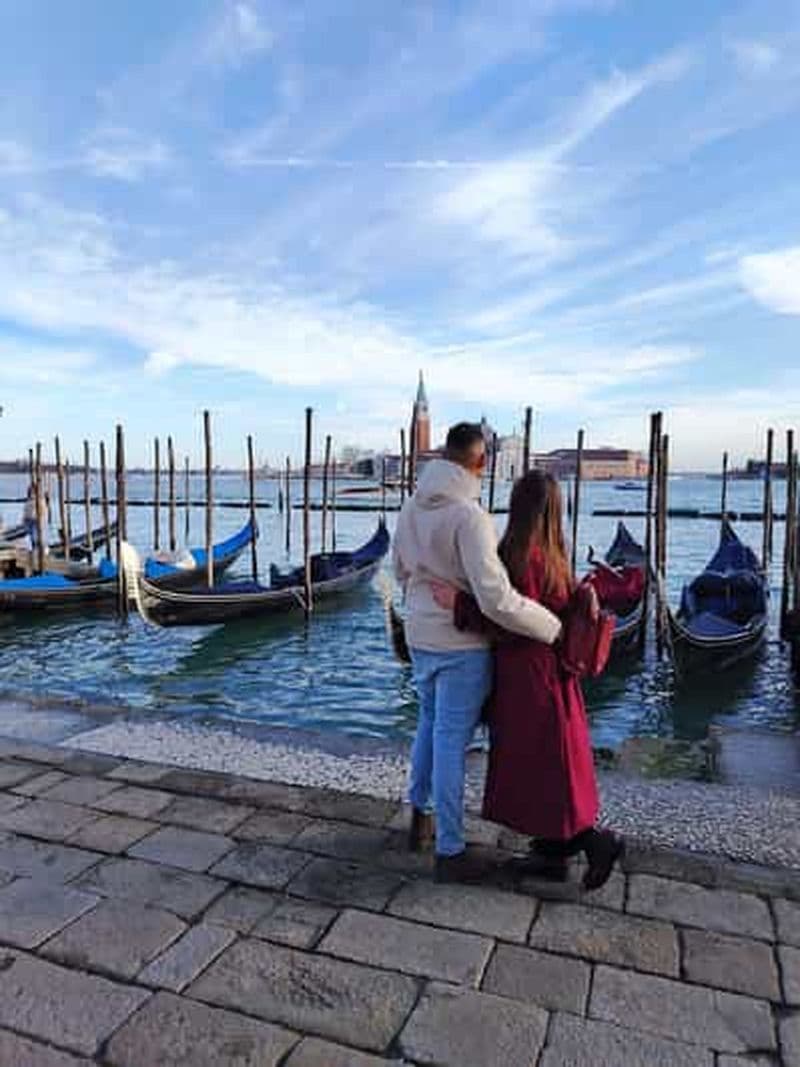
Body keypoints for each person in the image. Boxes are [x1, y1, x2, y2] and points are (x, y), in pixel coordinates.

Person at [432, 469, 624, 890]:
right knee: (552, 768)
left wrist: (459, 603)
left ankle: (596, 843)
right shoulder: (555, 553)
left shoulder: (519, 556)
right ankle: (551, 854)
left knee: (540, 770)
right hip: (553, 677)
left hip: (528, 677)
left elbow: (505, 615)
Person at [393, 423, 562, 883]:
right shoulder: (470, 517)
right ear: (481, 462)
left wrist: (429, 593)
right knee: (451, 741)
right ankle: (450, 848)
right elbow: (495, 598)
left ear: (444, 455)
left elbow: (400, 570)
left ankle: (419, 817)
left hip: (419, 633)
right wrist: (552, 627)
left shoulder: (410, 505)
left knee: (428, 724)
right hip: (460, 644)